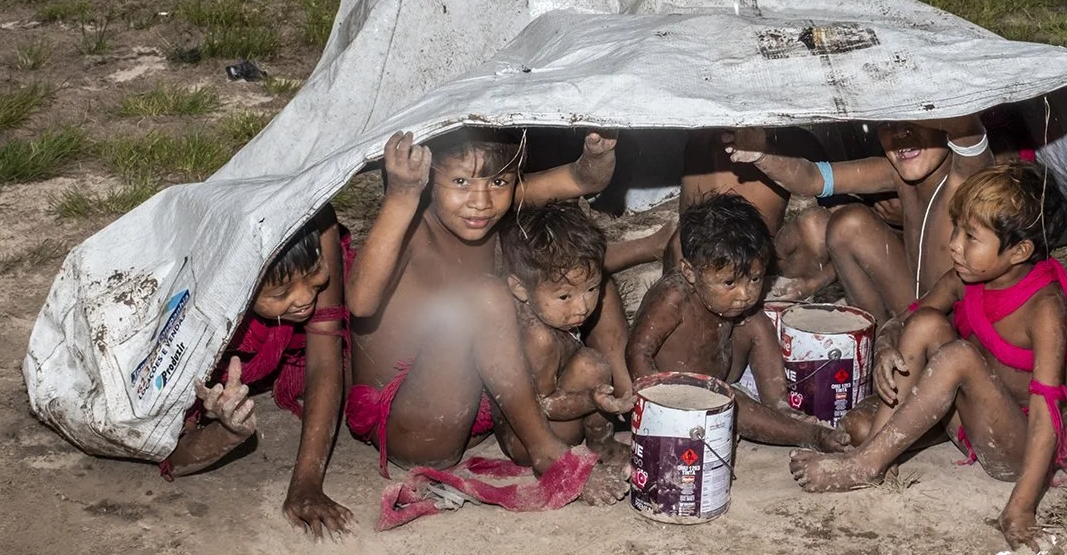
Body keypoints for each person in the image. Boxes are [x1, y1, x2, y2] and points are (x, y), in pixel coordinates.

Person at [790, 164, 1067, 550]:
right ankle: (874, 450)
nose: (955, 245)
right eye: (957, 228)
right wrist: (884, 349)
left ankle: (865, 464)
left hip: (1018, 446)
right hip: (974, 419)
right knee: (926, 324)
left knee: (958, 354)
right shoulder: (968, 275)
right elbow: (906, 320)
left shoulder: (1046, 307)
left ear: (1020, 251)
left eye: (971, 236)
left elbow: (1047, 413)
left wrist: (1022, 507)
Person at [340, 126, 621, 488]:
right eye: (459, 182)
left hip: (478, 408)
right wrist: (401, 195)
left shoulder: (490, 207)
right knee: (486, 297)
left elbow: (582, 179)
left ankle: (627, 406)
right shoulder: (413, 228)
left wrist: (599, 155)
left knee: (581, 274)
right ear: (426, 180)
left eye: (500, 183)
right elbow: (361, 303)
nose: (481, 201)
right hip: (413, 424)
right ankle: (544, 451)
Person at [161, 210, 355, 537]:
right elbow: (173, 456)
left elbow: (325, 359)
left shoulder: (316, 225)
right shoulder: (200, 328)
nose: (306, 297)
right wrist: (228, 431)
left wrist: (307, 483)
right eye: (281, 294)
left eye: (314, 275)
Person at [624, 195, 850, 450]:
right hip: (684, 393)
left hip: (723, 375)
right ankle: (809, 435)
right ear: (690, 272)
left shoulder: (732, 302)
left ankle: (779, 404)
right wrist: (661, 405)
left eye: (754, 279)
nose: (745, 294)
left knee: (754, 321)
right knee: (738, 408)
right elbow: (638, 351)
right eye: (729, 283)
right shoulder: (673, 297)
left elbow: (748, 318)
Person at [726, 115, 993, 324]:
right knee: (848, 223)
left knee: (927, 326)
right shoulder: (895, 173)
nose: (901, 133)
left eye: (914, 121)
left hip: (947, 325)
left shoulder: (965, 177)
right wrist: (761, 154)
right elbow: (812, 179)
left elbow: (967, 127)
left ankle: (900, 341)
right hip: (911, 305)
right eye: (888, 122)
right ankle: (875, 333)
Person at [603, 128, 834, 295]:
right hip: (704, 253)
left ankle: (783, 304)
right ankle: (688, 313)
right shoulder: (699, 131)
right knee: (679, 241)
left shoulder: (795, 139)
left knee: (818, 224)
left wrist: (817, 281)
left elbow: (842, 222)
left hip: (761, 256)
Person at [500, 201, 634, 462]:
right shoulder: (539, 338)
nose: (582, 307)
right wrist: (594, 399)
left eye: (591, 289)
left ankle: (601, 443)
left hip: (562, 410)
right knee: (591, 365)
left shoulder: (553, 312)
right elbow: (544, 404)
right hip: (527, 441)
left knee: (589, 363)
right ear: (519, 289)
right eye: (564, 296)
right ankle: (601, 446)